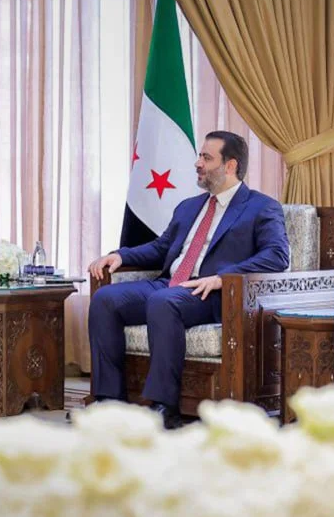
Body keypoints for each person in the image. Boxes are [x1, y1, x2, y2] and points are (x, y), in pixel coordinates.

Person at [87, 131, 290, 428]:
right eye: (199, 156)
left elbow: (277, 256)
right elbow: (161, 248)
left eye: (206, 158)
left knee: (163, 302)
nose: (198, 163)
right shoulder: (189, 206)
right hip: (170, 284)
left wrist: (223, 278)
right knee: (105, 299)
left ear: (230, 165)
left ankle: (163, 406)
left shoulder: (262, 207)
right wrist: (121, 255)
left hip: (213, 293)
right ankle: (109, 400)